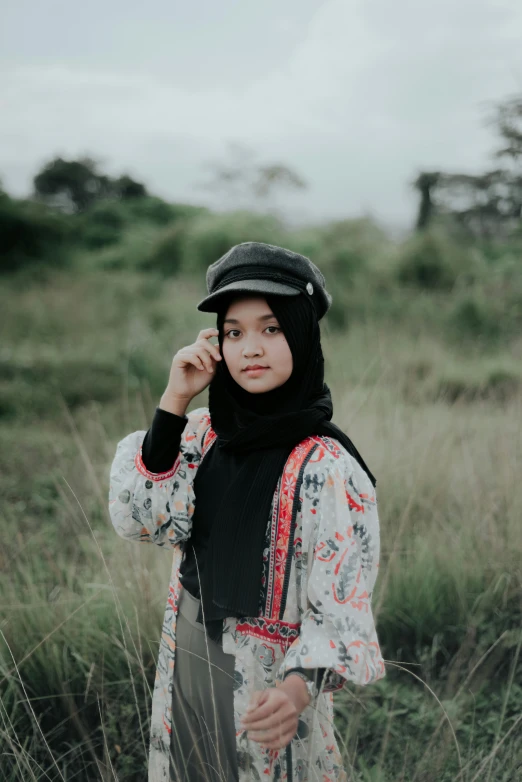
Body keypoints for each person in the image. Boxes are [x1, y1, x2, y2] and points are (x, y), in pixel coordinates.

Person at [108, 241, 386, 782]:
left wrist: (298, 687)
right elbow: (141, 520)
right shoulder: (202, 435)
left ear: (303, 335)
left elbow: (342, 599)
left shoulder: (324, 465)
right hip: (186, 648)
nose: (250, 348)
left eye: (271, 328)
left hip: (271, 682)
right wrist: (174, 401)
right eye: (234, 332)